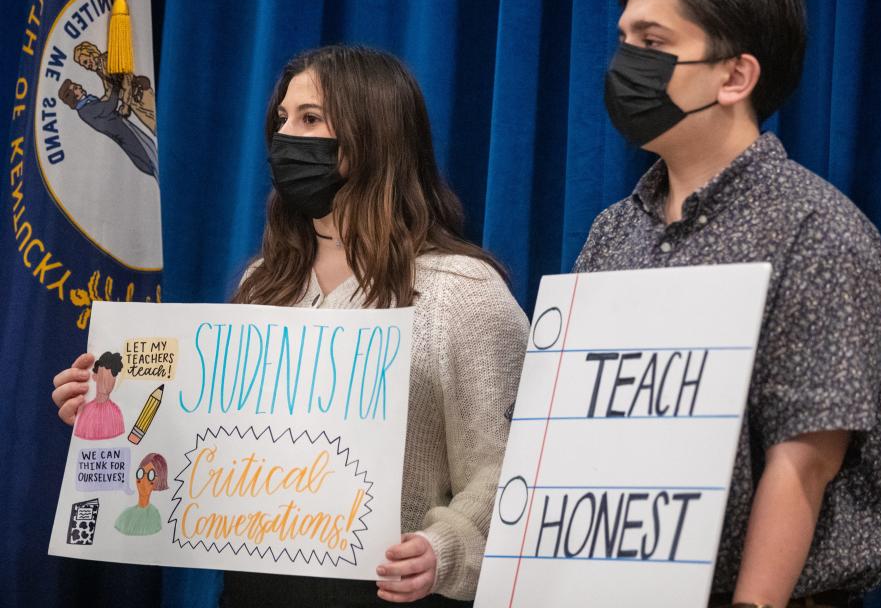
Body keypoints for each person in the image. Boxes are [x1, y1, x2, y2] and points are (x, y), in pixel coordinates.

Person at [52, 45, 529, 606]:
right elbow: (201, 450)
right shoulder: (263, 282)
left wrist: (444, 547)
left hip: (390, 594)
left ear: (373, 134)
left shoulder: (462, 292)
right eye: (281, 119)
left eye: (310, 119)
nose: (285, 137)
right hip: (252, 590)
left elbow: (510, 468)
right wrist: (107, 407)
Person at [576, 0, 881, 607]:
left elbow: (805, 460)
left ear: (734, 77)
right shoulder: (613, 232)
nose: (625, 64)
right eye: (623, 40)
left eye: (652, 41)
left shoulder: (819, 231)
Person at [58, 78, 159, 179]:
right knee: (146, 153)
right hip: (123, 133)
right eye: (75, 88)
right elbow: (109, 106)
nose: (79, 86)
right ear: (74, 96)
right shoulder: (86, 110)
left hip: (122, 126)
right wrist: (115, 88)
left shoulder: (86, 103)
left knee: (148, 146)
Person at [73, 351, 125, 440]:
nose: (106, 382)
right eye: (102, 376)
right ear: (95, 377)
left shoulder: (116, 413)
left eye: (112, 377)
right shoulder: (85, 412)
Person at [114, 452, 169, 536]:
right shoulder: (125, 515)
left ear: (158, 480)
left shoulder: (154, 516)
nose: (143, 480)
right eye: (140, 473)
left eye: (150, 475)